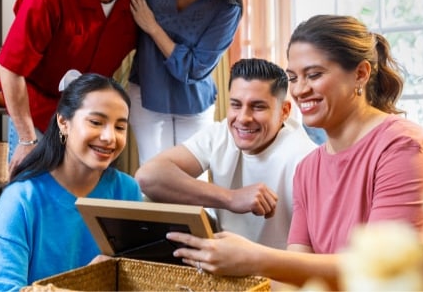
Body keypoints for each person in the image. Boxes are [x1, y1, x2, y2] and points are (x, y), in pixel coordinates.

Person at [165, 15, 423, 289]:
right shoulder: (308, 169)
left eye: (314, 75)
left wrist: (255, 258)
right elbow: (298, 278)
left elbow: (385, 271)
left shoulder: (405, 151)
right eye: (293, 78)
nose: (300, 90)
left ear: (361, 75)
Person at [0, 0, 146, 171]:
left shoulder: (136, 2)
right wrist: (26, 138)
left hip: (87, 122)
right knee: (34, 197)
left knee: (82, 204)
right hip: (37, 116)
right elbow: (10, 68)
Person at [0, 73, 142, 291]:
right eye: (96, 122)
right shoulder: (22, 198)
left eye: (120, 127)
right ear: (63, 122)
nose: (109, 137)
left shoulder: (127, 191)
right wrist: (84, 283)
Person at [135, 58, 317, 249]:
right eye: (236, 105)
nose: (243, 118)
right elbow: (148, 177)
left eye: (258, 106)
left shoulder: (305, 158)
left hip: (276, 274)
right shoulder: (221, 133)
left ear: (284, 111)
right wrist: (230, 198)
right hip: (222, 263)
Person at [128, 0, 242, 166]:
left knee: (191, 181)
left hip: (193, 103)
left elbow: (195, 68)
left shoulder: (227, 9)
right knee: (153, 174)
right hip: (147, 93)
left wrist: (152, 27)